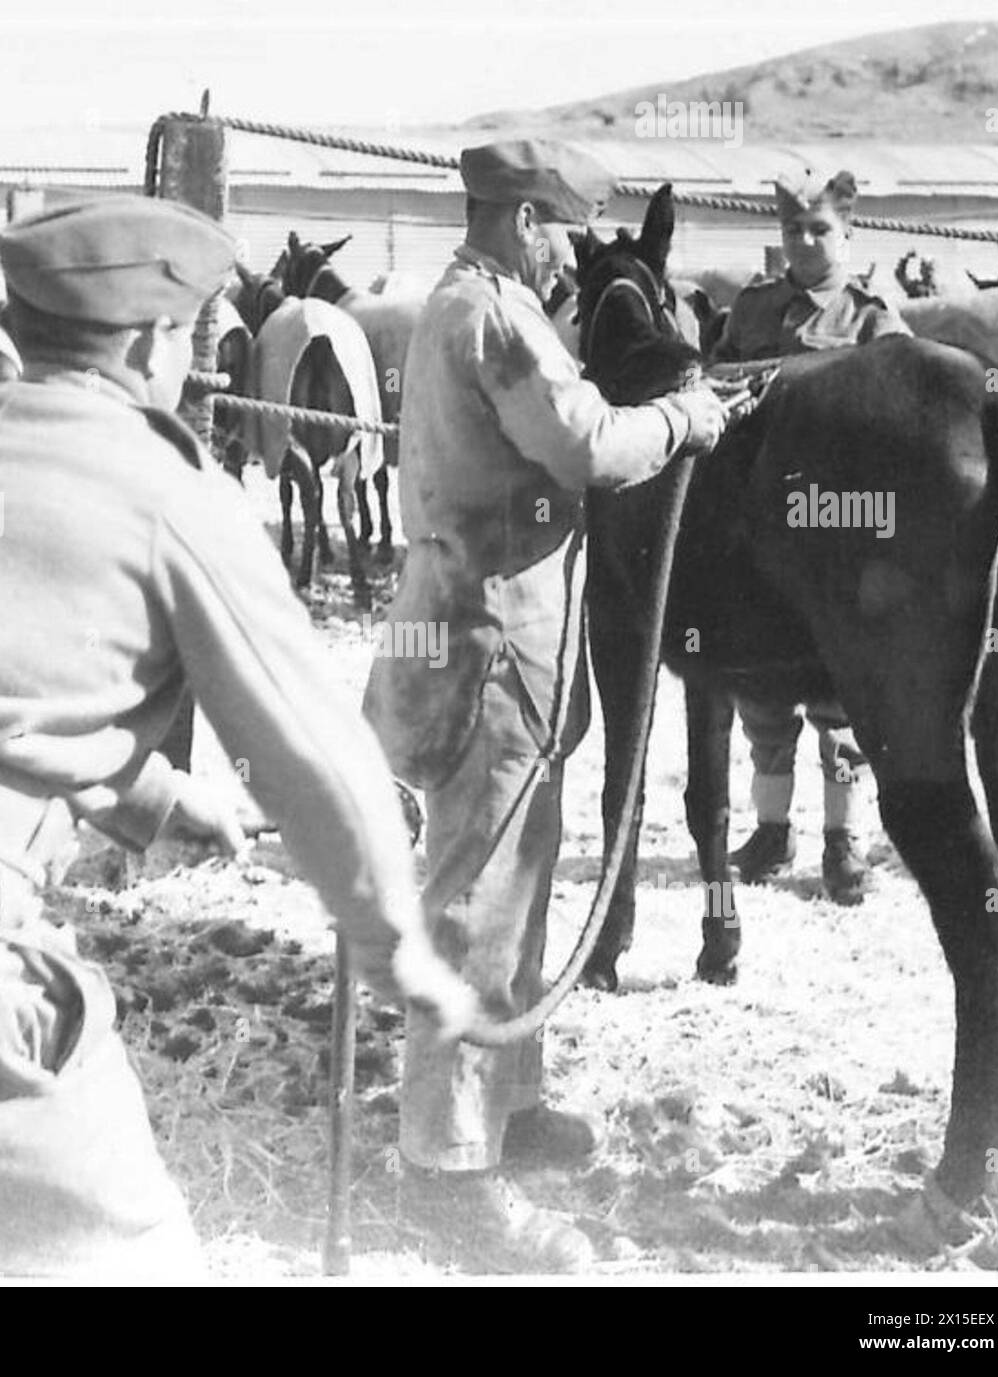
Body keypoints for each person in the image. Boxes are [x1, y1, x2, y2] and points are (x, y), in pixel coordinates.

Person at [0, 194, 477, 1281]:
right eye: (193, 338)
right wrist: (398, 946)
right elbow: (316, 751)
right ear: (154, 341)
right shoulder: (166, 489)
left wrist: (153, 800)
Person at [363, 139, 728, 1273]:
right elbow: (581, 447)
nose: (564, 248)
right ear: (522, 220)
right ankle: (446, 1168)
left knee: (511, 887)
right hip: (492, 643)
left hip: (483, 629)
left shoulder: (455, 309)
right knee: (473, 903)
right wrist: (684, 421)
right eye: (556, 228)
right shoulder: (500, 317)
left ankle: (507, 1106)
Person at [713, 168, 913, 904]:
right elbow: (722, 396)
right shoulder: (754, 311)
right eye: (794, 229)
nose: (805, 241)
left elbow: (907, 425)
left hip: (842, 532)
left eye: (820, 228)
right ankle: (771, 829)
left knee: (841, 690)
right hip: (761, 531)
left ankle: (843, 840)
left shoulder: (873, 321)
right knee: (761, 681)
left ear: (848, 233)